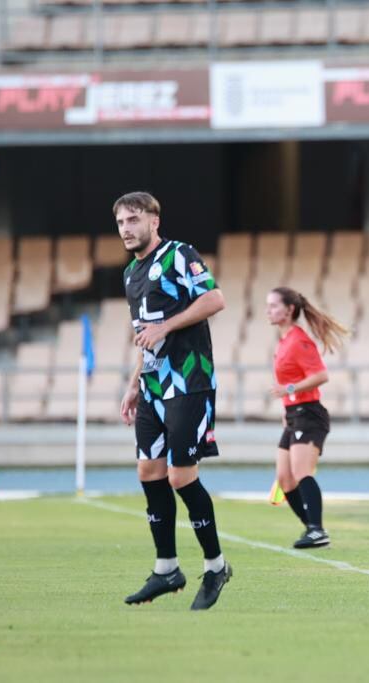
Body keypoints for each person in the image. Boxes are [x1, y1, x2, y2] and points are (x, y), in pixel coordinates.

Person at [115, 191, 232, 611]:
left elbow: (215, 299)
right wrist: (134, 383)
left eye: (133, 220)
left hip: (189, 380)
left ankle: (216, 566)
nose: (127, 229)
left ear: (153, 221)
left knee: (181, 477)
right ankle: (167, 569)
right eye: (121, 223)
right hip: (152, 386)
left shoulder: (179, 254)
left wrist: (165, 326)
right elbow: (146, 337)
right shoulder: (131, 274)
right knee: (149, 471)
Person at [266, 286, 349, 549]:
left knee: (301, 472)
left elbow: (321, 375)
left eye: (274, 305)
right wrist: (285, 409)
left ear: (289, 310)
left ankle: (316, 530)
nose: (268, 310)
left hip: (309, 414)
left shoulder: (299, 341)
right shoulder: (283, 341)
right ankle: (313, 529)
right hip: (293, 415)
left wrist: (289, 390)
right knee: (284, 478)